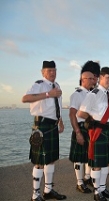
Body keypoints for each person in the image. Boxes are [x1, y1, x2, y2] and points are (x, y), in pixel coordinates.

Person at [22, 60, 66, 201]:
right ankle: (35, 195)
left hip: (53, 125)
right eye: (49, 70)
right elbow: (25, 98)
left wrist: (60, 121)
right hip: (42, 126)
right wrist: (48, 94)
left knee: (51, 160)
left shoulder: (57, 86)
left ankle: (48, 190)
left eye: (54, 70)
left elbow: (56, 106)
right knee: (39, 161)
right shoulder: (39, 85)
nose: (52, 73)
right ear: (43, 72)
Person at [77, 67, 109, 201]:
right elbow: (81, 113)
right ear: (100, 78)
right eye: (107, 77)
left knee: (106, 161)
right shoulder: (94, 94)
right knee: (97, 163)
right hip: (98, 131)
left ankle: (103, 188)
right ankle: (97, 193)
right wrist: (93, 118)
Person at [69, 66, 96, 194]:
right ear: (82, 79)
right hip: (81, 127)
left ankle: (87, 178)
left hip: (90, 127)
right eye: (90, 78)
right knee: (79, 157)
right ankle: (79, 183)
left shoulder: (91, 94)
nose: (92, 80)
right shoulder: (77, 94)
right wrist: (78, 132)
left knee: (88, 155)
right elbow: (72, 114)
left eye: (93, 78)